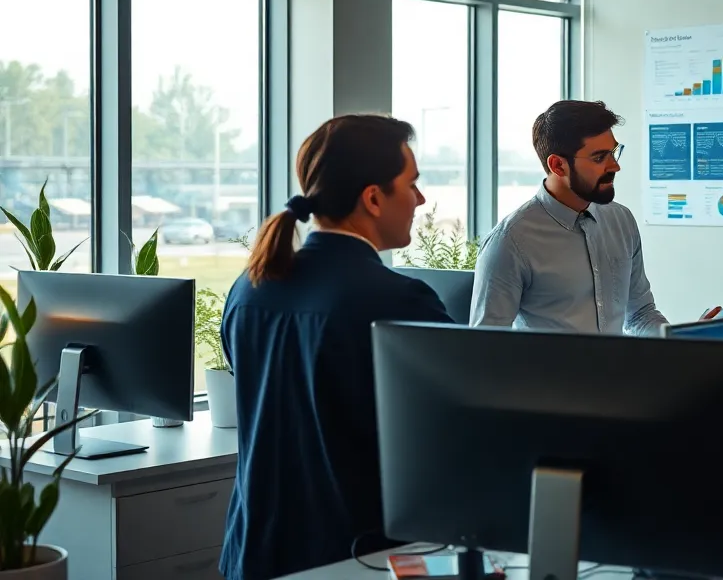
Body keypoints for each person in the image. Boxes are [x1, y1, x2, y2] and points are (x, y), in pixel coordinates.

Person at [218, 114, 453, 580]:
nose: (420, 199)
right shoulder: (398, 300)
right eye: (412, 184)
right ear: (373, 198)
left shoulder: (248, 289)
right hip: (356, 558)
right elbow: (456, 428)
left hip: (254, 554)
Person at [469, 100, 668, 335]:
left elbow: (640, 315)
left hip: (618, 361)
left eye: (613, 153)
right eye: (599, 157)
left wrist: (684, 340)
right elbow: (487, 344)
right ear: (558, 165)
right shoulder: (510, 241)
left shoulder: (621, 220)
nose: (615, 166)